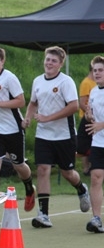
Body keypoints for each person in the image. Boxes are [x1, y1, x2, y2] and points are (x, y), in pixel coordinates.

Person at [22, 46, 90, 228]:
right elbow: (33, 103)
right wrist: (28, 118)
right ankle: (43, 215)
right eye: (47, 59)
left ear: (60, 64)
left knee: (67, 173)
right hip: (43, 135)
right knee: (42, 169)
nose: (49, 63)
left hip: (64, 136)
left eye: (53, 61)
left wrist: (48, 118)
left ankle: (81, 188)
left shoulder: (66, 82)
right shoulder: (38, 81)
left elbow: (74, 106)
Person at [0, 46, 36, 223]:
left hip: (13, 130)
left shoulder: (9, 78)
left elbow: (21, 101)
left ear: (2, 61)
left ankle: (29, 188)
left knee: (19, 165)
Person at [84, 56, 104, 233]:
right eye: (95, 70)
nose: (97, 73)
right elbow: (91, 115)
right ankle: (96, 218)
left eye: (101, 70)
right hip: (98, 142)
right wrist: (89, 116)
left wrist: (101, 124)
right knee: (96, 177)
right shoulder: (94, 92)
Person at [76, 65, 96, 176]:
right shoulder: (86, 83)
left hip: (97, 118)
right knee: (86, 143)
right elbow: (82, 103)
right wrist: (89, 114)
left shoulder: (97, 83)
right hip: (87, 118)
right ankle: (86, 168)